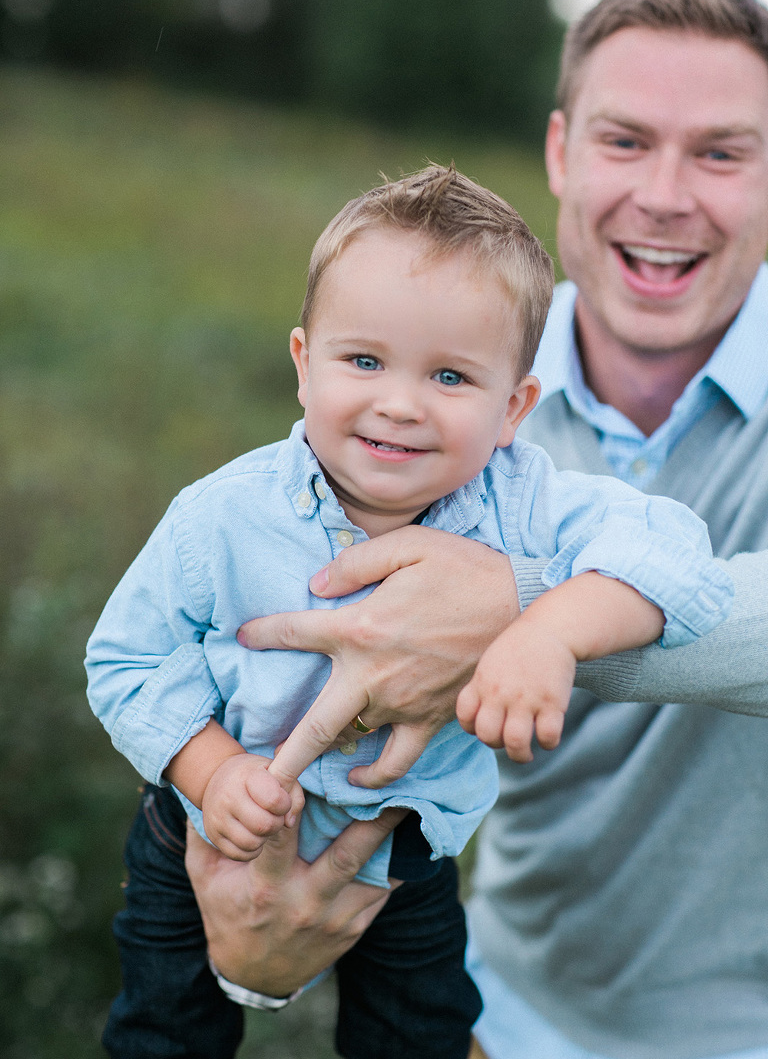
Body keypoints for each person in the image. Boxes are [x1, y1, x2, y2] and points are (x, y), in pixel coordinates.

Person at [186, 0, 768, 1059]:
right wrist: (254, 959)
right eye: (626, 141)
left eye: (723, 153)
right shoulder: (448, 397)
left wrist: (526, 614)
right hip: (494, 1012)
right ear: (560, 154)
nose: (666, 194)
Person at [87, 164, 731, 1059]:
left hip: (404, 847)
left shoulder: (522, 502)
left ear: (513, 409)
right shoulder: (222, 516)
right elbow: (125, 660)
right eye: (363, 361)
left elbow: (682, 564)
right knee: (163, 1036)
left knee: (419, 1037)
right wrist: (208, 770)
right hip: (203, 829)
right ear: (304, 365)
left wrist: (549, 623)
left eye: (451, 377)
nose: (400, 402)